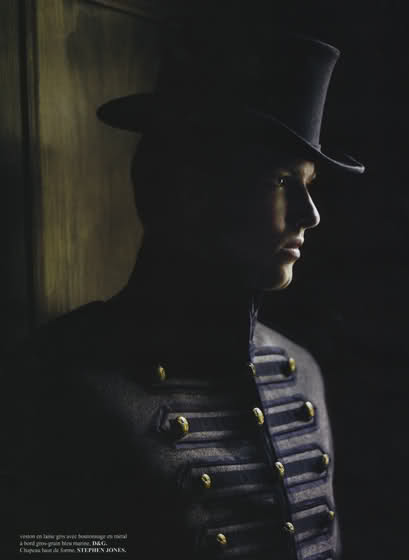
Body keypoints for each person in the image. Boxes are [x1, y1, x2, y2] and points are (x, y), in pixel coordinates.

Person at [2, 27, 364, 560]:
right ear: (190, 188)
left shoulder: (300, 371)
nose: (309, 215)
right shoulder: (58, 379)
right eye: (280, 180)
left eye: (307, 184)